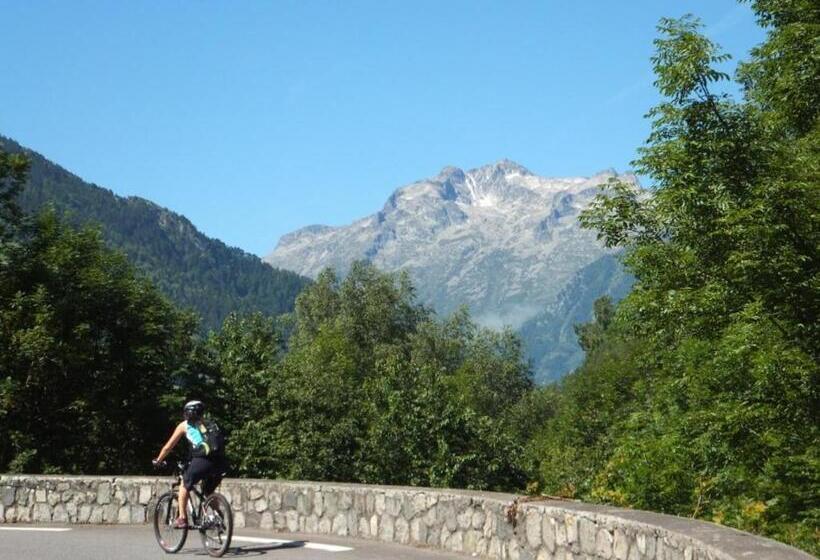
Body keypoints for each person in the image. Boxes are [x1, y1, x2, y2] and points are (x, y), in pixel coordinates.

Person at [153, 400, 228, 529]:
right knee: (208, 491)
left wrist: (159, 460)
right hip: (220, 462)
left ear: (187, 413)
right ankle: (218, 516)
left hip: (202, 461)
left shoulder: (184, 426)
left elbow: (168, 447)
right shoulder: (210, 424)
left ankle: (182, 518)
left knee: (184, 485)